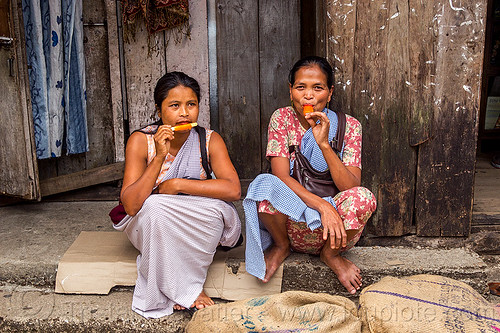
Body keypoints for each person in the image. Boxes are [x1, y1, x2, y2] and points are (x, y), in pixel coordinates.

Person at [244, 56, 377, 295]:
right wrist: (320, 206)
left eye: (318, 88)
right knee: (264, 186)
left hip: (334, 232)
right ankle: (281, 246)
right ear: (290, 90)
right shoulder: (282, 119)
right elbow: (281, 177)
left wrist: (325, 144)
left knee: (364, 197)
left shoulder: (349, 126)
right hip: (292, 224)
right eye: (300, 87)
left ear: (329, 92)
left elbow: (350, 186)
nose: (308, 95)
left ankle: (330, 255)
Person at [114, 71, 241, 318]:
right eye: (174, 105)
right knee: (155, 208)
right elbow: (130, 205)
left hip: (195, 221)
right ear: (159, 110)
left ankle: (178, 288)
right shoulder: (141, 141)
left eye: (191, 104)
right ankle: (189, 290)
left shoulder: (209, 140)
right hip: (152, 223)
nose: (184, 113)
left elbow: (233, 189)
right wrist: (159, 157)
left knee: (217, 213)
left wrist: (178, 185)